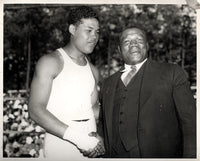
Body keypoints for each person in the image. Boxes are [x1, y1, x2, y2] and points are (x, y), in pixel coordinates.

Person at [98, 27, 196, 158]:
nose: (133, 44)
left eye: (139, 40)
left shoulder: (172, 72)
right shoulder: (107, 83)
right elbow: (103, 126)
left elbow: (190, 123)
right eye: (127, 42)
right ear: (119, 50)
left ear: (147, 46)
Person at [28, 6, 105, 159]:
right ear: (72, 29)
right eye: (88, 30)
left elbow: (94, 109)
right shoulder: (50, 62)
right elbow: (35, 110)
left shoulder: (93, 70)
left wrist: (103, 135)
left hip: (93, 144)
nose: (94, 36)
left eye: (97, 32)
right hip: (61, 145)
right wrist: (80, 139)